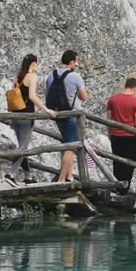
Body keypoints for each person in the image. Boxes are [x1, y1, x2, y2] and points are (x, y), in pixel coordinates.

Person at [5, 54, 57, 186]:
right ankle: (11, 174)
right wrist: (46, 109)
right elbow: (32, 97)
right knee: (23, 147)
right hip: (27, 115)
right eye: (36, 64)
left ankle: (28, 176)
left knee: (23, 147)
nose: (37, 66)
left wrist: (11, 116)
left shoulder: (18, 77)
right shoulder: (32, 77)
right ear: (33, 64)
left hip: (16, 115)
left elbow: (13, 96)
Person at [45, 50, 89, 182]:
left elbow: (47, 95)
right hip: (72, 115)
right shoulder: (75, 76)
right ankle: (62, 179)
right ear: (71, 62)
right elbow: (84, 97)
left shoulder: (50, 75)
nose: (77, 63)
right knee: (70, 148)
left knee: (65, 143)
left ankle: (69, 176)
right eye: (76, 61)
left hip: (58, 115)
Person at [106, 78, 136, 190]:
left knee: (117, 163)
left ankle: (116, 188)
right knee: (129, 165)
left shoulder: (112, 99)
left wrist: (110, 134)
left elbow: (108, 119)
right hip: (131, 137)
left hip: (116, 136)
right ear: (135, 88)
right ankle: (124, 191)